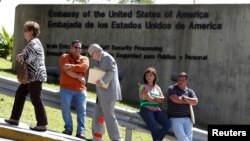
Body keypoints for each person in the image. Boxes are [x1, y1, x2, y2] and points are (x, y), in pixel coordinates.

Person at [4, 21, 48, 131]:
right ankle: (14, 119)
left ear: (31, 32)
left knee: (36, 98)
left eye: (25, 30)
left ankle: (42, 124)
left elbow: (26, 58)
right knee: (20, 93)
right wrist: (22, 56)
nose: (24, 32)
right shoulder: (35, 42)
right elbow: (28, 57)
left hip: (35, 76)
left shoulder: (33, 43)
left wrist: (19, 57)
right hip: (32, 76)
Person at [88, 43, 122, 141]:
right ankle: (97, 138)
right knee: (97, 116)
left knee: (109, 118)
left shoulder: (107, 57)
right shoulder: (101, 59)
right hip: (102, 96)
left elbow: (112, 70)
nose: (92, 57)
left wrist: (102, 81)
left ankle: (117, 139)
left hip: (108, 95)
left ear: (96, 51)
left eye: (91, 54)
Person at [59, 40, 89, 139]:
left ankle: (81, 132)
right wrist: (79, 77)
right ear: (70, 47)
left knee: (82, 111)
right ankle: (68, 129)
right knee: (65, 108)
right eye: (76, 47)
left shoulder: (84, 58)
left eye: (80, 48)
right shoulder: (64, 57)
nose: (78, 49)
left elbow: (84, 68)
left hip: (80, 90)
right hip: (66, 89)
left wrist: (71, 66)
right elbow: (67, 71)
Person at [139, 67, 171, 141]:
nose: (149, 77)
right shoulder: (142, 86)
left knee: (168, 124)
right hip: (146, 109)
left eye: (151, 75)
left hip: (156, 110)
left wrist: (154, 97)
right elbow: (149, 98)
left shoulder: (158, 87)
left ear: (154, 76)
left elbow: (162, 100)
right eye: (147, 75)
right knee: (154, 130)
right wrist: (157, 98)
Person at [167, 72, 198, 141]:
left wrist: (185, 98)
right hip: (175, 118)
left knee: (189, 138)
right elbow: (175, 99)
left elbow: (195, 101)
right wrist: (189, 101)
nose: (180, 82)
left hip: (188, 119)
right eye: (178, 80)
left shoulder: (190, 91)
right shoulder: (172, 88)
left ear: (186, 81)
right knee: (182, 138)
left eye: (182, 80)